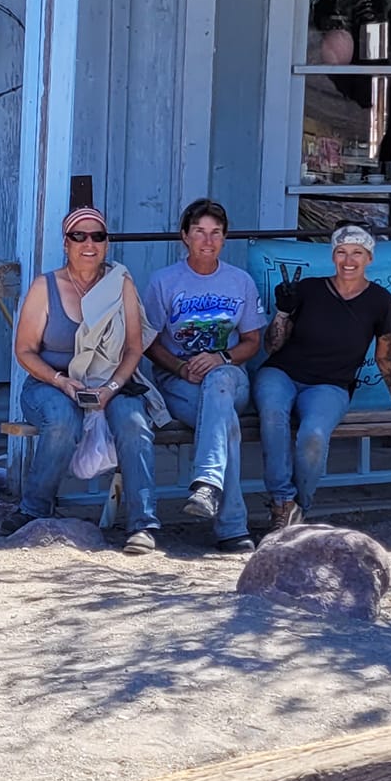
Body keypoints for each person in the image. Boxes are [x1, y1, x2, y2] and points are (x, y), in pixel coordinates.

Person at [7, 205, 161, 554]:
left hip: (110, 379)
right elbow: (25, 351)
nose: (88, 243)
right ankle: (33, 509)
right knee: (62, 420)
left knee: (134, 423)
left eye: (97, 236)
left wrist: (110, 388)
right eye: (79, 236)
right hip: (51, 382)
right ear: (66, 243)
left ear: (107, 243)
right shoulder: (45, 286)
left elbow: (134, 348)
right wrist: (61, 382)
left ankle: (143, 524)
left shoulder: (119, 283)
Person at [256, 223, 391, 531]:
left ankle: (299, 507)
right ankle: (282, 502)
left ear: (369, 258)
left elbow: (385, 353)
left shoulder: (382, 302)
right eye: (341, 252)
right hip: (282, 372)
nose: (349, 260)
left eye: (357, 253)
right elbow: (272, 346)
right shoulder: (308, 288)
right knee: (272, 414)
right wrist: (282, 312)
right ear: (332, 256)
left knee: (313, 437)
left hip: (330, 384)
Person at [143, 197, 266, 556]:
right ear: (185, 236)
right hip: (178, 382)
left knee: (220, 383)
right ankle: (231, 527)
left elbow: (253, 341)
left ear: (225, 238)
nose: (208, 241)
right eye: (199, 232)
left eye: (216, 233)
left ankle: (208, 482)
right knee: (223, 420)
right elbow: (148, 342)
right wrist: (181, 367)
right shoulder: (163, 281)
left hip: (230, 377)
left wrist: (220, 356)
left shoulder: (239, 281)